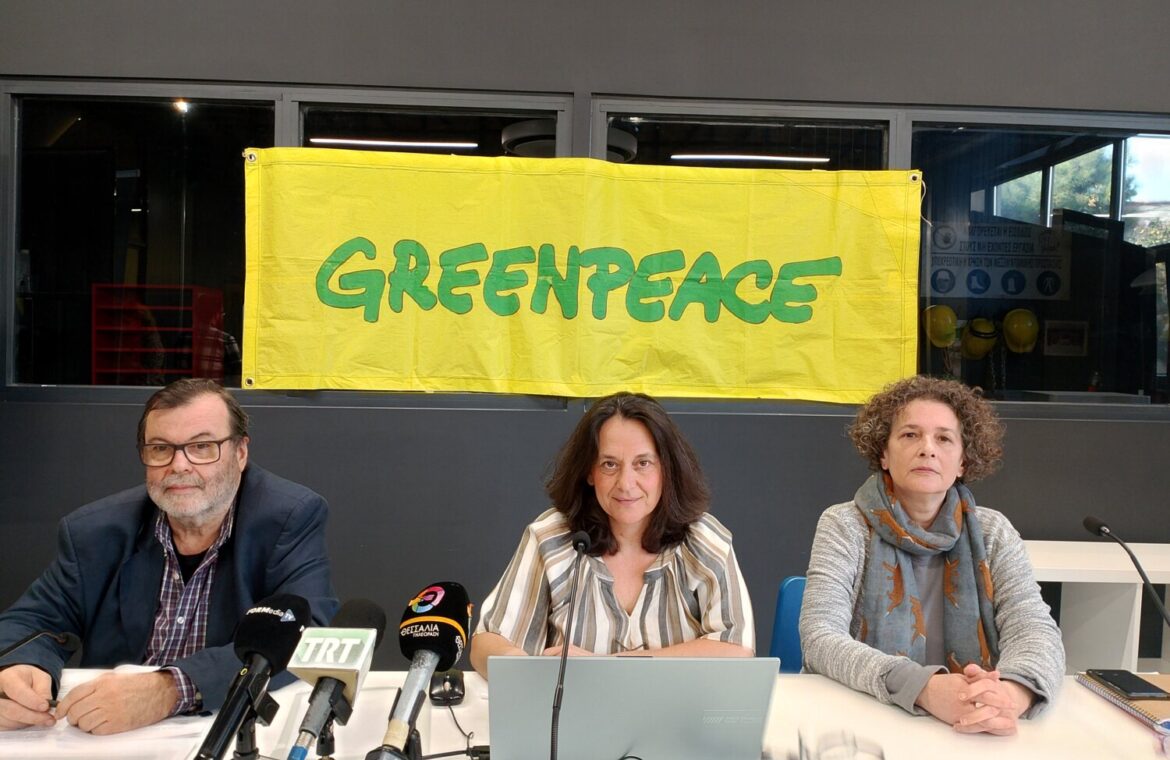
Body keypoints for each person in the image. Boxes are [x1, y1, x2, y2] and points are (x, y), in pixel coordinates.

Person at [0, 378, 338, 735]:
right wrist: (22, 668)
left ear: (240, 453)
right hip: (104, 734)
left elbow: (309, 634)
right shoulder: (96, 532)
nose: (179, 465)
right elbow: (31, 621)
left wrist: (170, 689)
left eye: (202, 447)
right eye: (161, 448)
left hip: (225, 725)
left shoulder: (288, 518)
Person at [799, 375, 1064, 736]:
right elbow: (819, 638)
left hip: (972, 726)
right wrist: (922, 688)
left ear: (963, 462)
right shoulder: (845, 524)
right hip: (864, 722)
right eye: (910, 435)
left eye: (944, 438)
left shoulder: (992, 531)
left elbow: (1034, 629)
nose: (927, 449)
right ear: (884, 454)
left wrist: (1008, 696)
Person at [470, 391, 754, 678]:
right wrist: (524, 669)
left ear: (666, 469)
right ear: (589, 472)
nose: (626, 483)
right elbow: (486, 643)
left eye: (643, 463)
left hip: (679, 708)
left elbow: (737, 650)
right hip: (573, 707)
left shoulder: (703, 539)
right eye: (609, 464)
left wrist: (604, 666)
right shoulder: (550, 537)